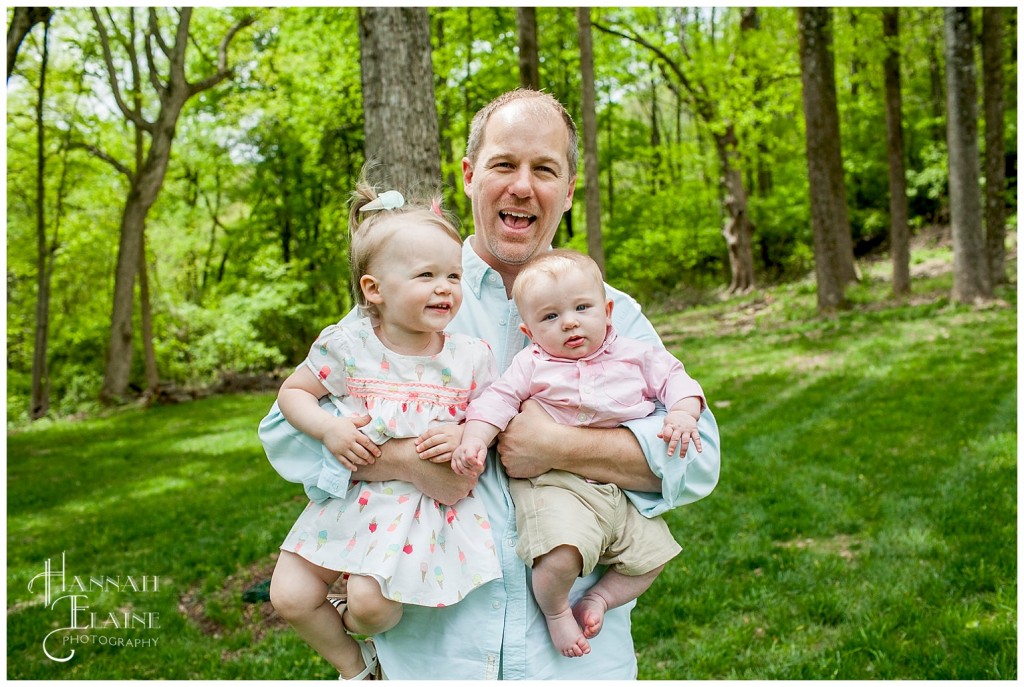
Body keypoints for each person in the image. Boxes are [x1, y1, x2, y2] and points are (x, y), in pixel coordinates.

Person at [260, 88, 721, 679]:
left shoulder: (610, 313)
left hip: (572, 656)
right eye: (504, 164)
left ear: (570, 190)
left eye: (545, 169)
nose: (522, 187)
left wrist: (558, 447)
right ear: (471, 176)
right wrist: (405, 460)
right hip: (435, 651)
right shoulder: (409, 296)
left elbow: (698, 457)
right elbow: (285, 433)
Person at [267, 177, 501, 680]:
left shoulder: (468, 357)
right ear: (374, 289)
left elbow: (495, 416)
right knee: (288, 594)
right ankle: (359, 668)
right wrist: (329, 431)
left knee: (371, 608)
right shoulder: (349, 347)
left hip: (417, 514)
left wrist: (466, 435)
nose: (445, 287)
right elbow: (292, 394)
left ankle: (359, 628)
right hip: (348, 502)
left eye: (454, 276)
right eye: (426, 275)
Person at [452, 248, 706, 659]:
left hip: (616, 489)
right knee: (561, 556)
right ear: (530, 332)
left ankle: (599, 599)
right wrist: (475, 439)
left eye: (582, 308)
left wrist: (682, 412)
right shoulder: (531, 364)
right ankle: (556, 614)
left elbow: (677, 380)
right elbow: (497, 401)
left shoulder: (635, 354)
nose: (569, 322)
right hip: (555, 485)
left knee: (654, 557)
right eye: (550, 317)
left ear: (608, 312)